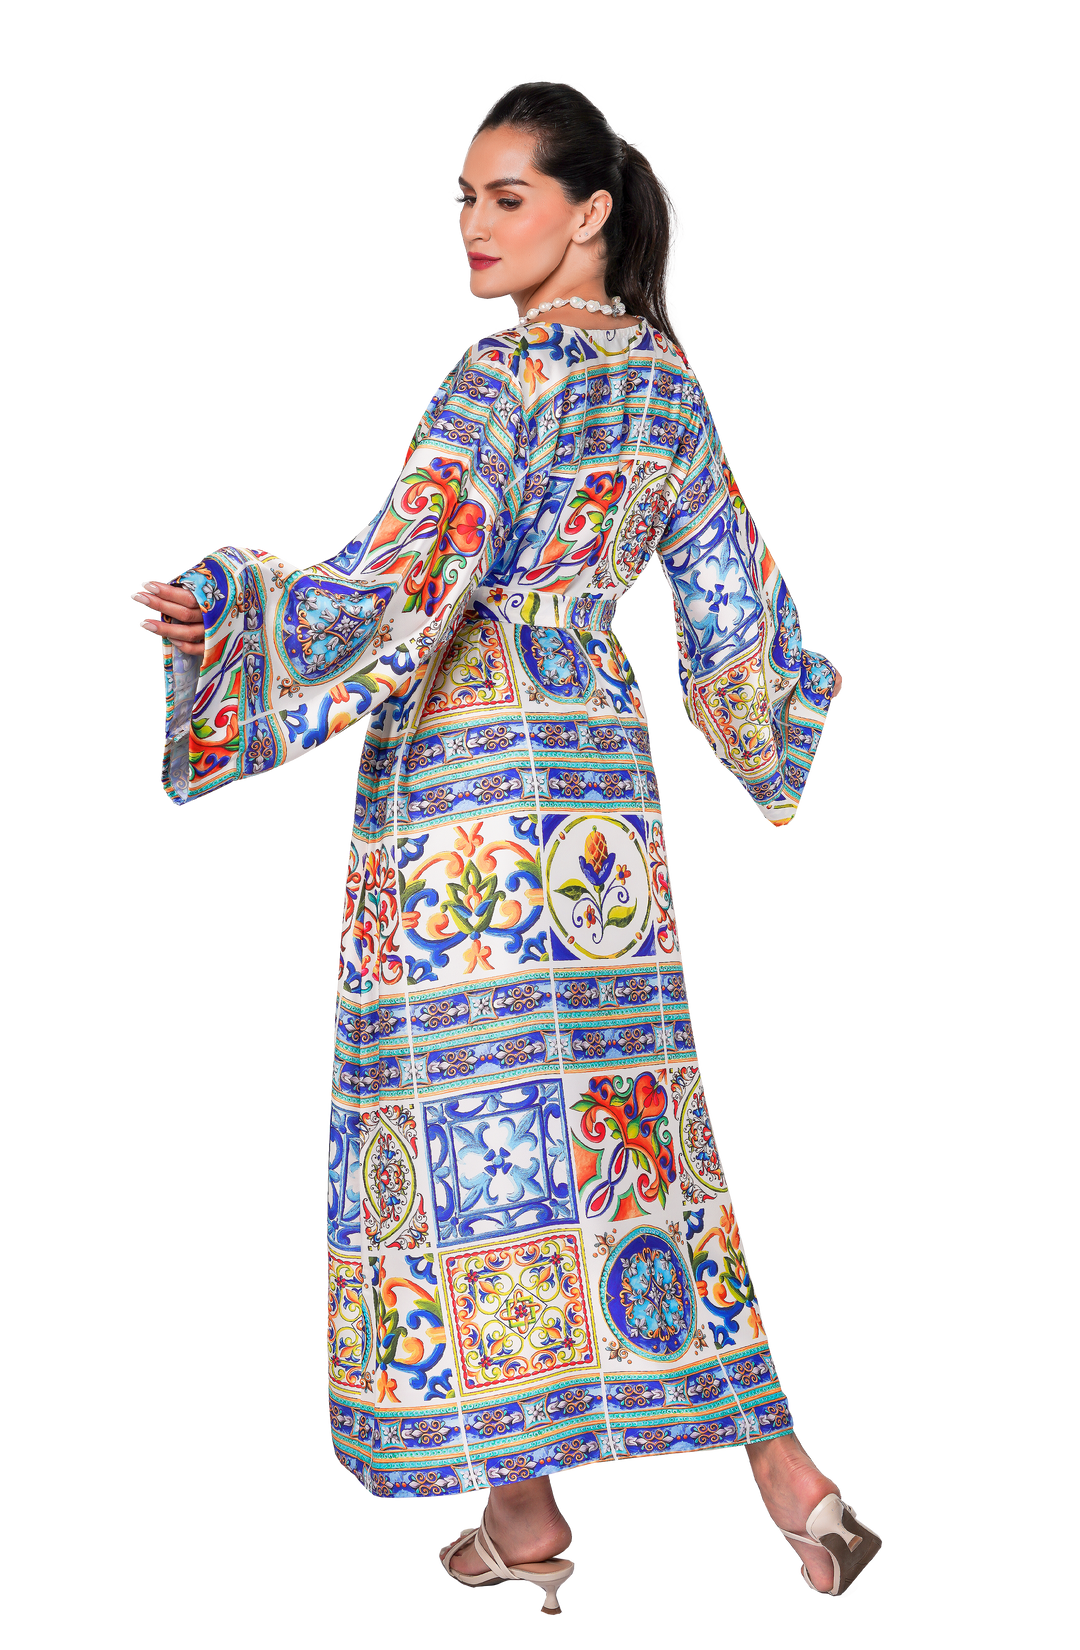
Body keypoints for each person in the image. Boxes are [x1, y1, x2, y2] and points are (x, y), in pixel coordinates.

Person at [127, 77, 878, 1614]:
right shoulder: (668, 384)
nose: (473, 222)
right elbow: (732, 601)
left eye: (506, 196)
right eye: (462, 197)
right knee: (630, 1124)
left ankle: (532, 1504)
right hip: (599, 788)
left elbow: (396, 583)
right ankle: (766, 1480)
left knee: (467, 1124)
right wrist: (791, 705)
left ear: (589, 210)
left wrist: (237, 610)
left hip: (467, 779)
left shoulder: (500, 379)